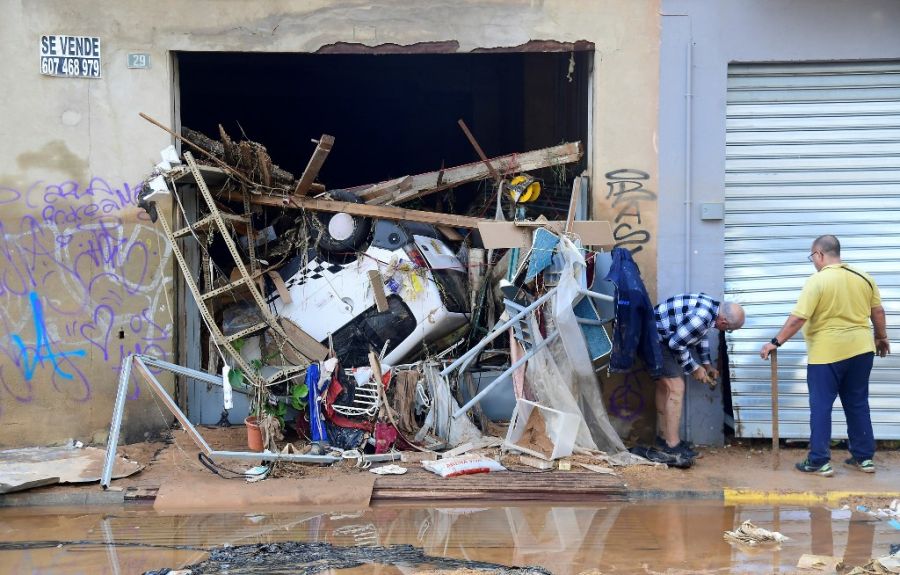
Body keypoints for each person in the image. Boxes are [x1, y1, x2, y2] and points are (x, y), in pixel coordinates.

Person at [759, 235, 889, 477]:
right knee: (858, 403)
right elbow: (878, 311)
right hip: (862, 351)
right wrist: (881, 338)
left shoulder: (817, 281)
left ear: (819, 254)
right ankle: (864, 459)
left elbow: (799, 318)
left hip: (827, 354)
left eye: (812, 257)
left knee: (821, 406)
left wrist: (775, 342)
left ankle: (819, 460)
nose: (813, 262)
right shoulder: (864, 277)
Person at [655, 294, 746, 457]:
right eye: (729, 329)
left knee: (667, 387)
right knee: (676, 388)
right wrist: (695, 369)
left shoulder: (710, 308)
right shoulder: (702, 317)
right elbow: (675, 344)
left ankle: (664, 437)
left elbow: (699, 334)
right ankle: (672, 445)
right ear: (724, 322)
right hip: (654, 340)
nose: (727, 331)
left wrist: (707, 365)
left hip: (660, 337)